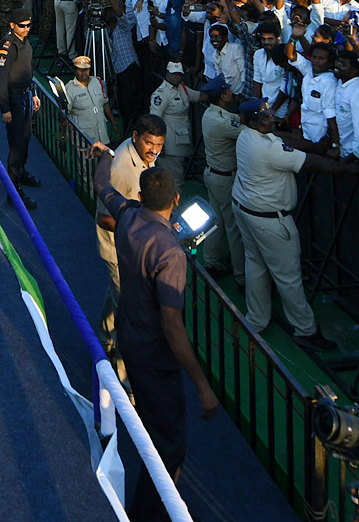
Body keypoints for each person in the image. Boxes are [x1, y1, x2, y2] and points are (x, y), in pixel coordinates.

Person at [89, 145, 219, 522]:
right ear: (176, 200)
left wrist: (103, 153)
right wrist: (202, 385)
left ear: (142, 196)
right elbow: (172, 325)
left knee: (150, 428)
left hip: (130, 340)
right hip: (156, 357)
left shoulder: (127, 214)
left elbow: (102, 184)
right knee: (170, 450)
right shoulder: (171, 253)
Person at [231, 99, 357, 352]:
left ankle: (257, 319)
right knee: (288, 276)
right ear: (253, 122)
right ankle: (305, 330)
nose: (271, 119)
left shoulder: (246, 135)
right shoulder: (266, 149)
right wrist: (345, 169)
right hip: (269, 220)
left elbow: (285, 142)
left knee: (255, 263)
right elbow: (308, 162)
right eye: (265, 117)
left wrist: (317, 145)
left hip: (245, 209)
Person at [94, 114, 166, 386]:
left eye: (159, 145)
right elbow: (103, 217)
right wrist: (146, 230)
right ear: (135, 137)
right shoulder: (123, 169)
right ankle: (125, 382)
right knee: (132, 314)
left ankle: (102, 341)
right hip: (119, 252)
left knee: (118, 298)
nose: (154, 151)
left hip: (129, 250)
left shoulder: (141, 155)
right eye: (149, 144)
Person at [197, 76, 244, 285]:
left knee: (216, 221)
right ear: (224, 95)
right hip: (225, 179)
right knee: (233, 227)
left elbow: (236, 118)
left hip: (213, 175)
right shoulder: (221, 122)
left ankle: (212, 261)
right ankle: (241, 274)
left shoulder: (211, 114)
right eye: (229, 92)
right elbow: (245, 129)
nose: (231, 95)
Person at [0, 7, 41, 209]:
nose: (26, 29)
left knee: (26, 138)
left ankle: (21, 172)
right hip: (13, 100)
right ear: (12, 25)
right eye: (22, 26)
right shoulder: (7, 46)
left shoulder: (24, 41)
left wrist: (34, 93)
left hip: (26, 96)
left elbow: (27, 70)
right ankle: (13, 191)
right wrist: (4, 107)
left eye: (29, 25)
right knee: (16, 145)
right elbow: (1, 78)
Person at [149, 61, 204, 190]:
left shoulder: (182, 88)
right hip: (169, 143)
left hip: (181, 140)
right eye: (174, 75)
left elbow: (199, 96)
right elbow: (154, 120)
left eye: (179, 74)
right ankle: (174, 209)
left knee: (175, 178)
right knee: (174, 181)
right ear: (167, 74)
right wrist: (158, 145)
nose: (177, 77)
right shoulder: (161, 94)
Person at [66, 55, 113, 146]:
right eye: (80, 70)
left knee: (103, 159)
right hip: (84, 138)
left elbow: (105, 103)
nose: (84, 73)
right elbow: (66, 113)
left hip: (102, 135)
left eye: (86, 70)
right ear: (75, 71)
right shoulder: (70, 88)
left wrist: (114, 124)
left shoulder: (97, 82)